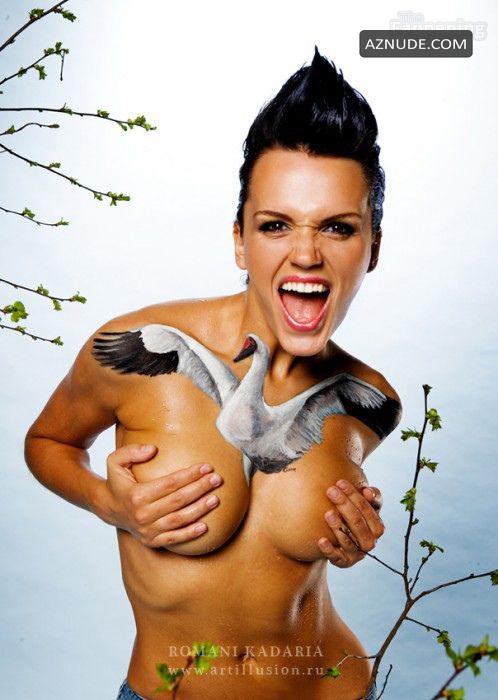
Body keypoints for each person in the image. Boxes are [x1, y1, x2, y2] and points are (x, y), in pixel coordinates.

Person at [24, 47, 401, 700]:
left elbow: (302, 563)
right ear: (239, 240)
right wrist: (108, 502)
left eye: (338, 228)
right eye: (276, 225)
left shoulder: (372, 401)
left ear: (371, 248)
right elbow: (47, 441)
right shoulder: (134, 349)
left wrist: (351, 540)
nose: (305, 254)